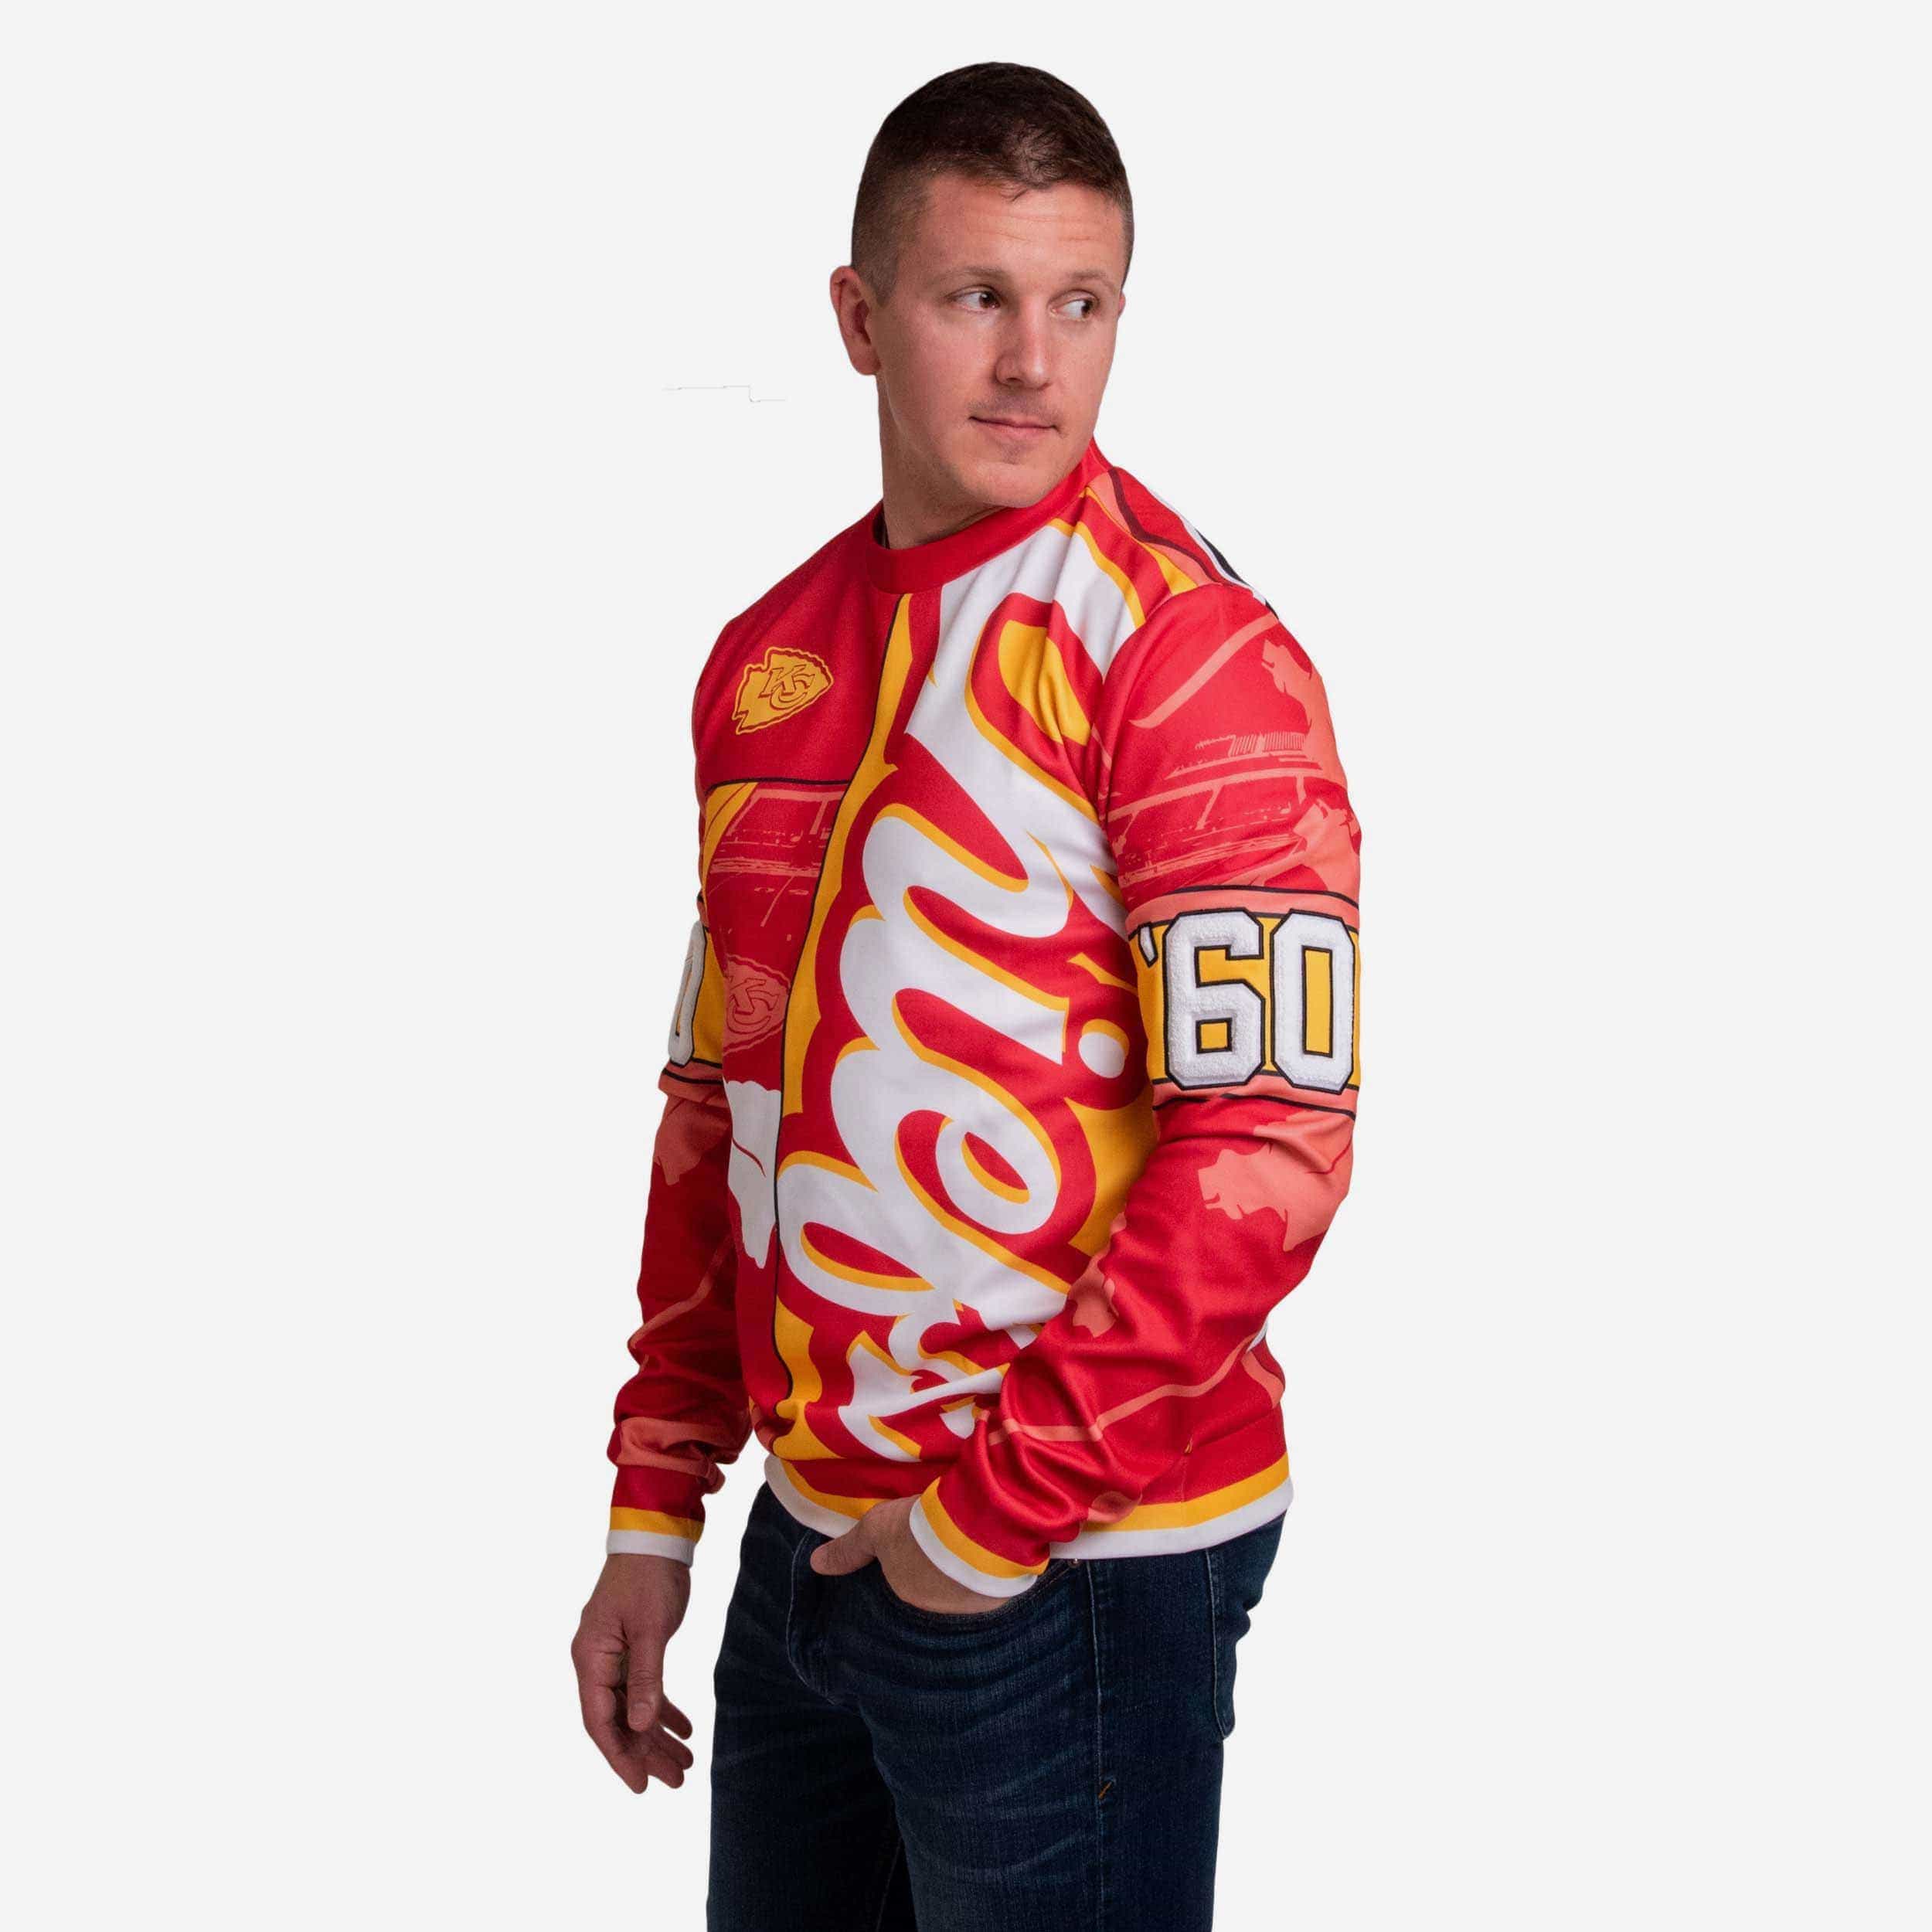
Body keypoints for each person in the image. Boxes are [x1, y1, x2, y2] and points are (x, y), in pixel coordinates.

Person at [570, 61, 1362, 1931]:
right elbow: (723, 1102)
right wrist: (655, 1506)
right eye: (974, 297)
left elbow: (1269, 1149)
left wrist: (983, 1524)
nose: (1030, 361)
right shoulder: (761, 659)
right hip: (807, 1541)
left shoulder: (1190, 655)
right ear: (859, 318)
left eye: (1079, 302)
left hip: (1079, 1558)